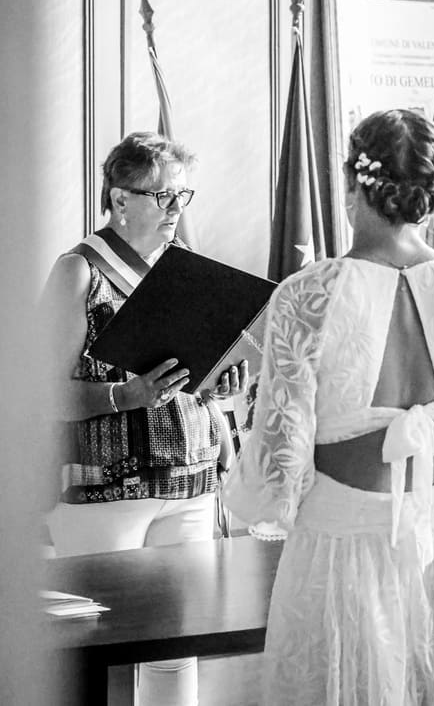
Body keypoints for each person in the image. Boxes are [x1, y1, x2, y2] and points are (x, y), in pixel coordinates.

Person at [223, 108, 434, 705]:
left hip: (339, 556)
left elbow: (280, 458)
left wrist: (260, 499)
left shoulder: (308, 294)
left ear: (351, 184)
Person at [43, 131, 246, 706]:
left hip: (190, 484)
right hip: (105, 493)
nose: (177, 209)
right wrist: (123, 395)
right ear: (120, 199)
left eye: (183, 195)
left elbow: (195, 376)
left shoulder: (187, 272)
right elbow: (34, 393)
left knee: (178, 650)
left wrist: (221, 382)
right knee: (99, 655)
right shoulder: (79, 271)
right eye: (164, 196)